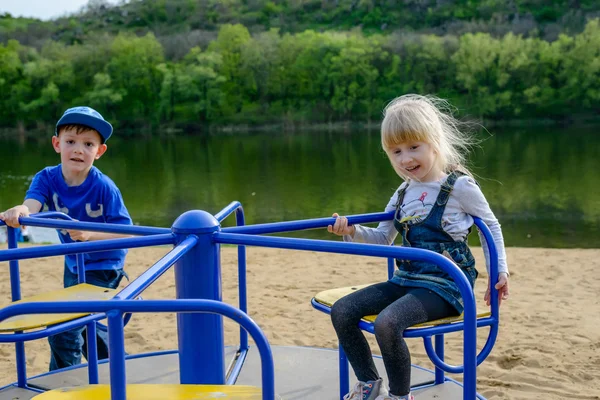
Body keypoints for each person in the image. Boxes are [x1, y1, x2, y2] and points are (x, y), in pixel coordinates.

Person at [327, 94, 509, 400]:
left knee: (387, 324)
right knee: (343, 310)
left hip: (446, 287)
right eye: (396, 151)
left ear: (434, 142)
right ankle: (369, 385)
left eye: (414, 147)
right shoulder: (402, 193)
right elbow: (383, 239)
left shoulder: (459, 186)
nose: (406, 159)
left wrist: (498, 272)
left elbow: (491, 226)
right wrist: (353, 230)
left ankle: (401, 396)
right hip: (408, 280)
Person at [0, 106, 132, 371]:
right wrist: (20, 211)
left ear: (100, 151)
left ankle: (62, 381)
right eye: (70, 142)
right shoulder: (46, 178)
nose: (78, 150)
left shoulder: (104, 186)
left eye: (88, 144)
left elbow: (125, 230)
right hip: (74, 262)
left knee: (64, 325)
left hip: (104, 265)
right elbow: (32, 205)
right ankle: (117, 367)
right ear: (56, 144)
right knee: (86, 327)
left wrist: (89, 234)